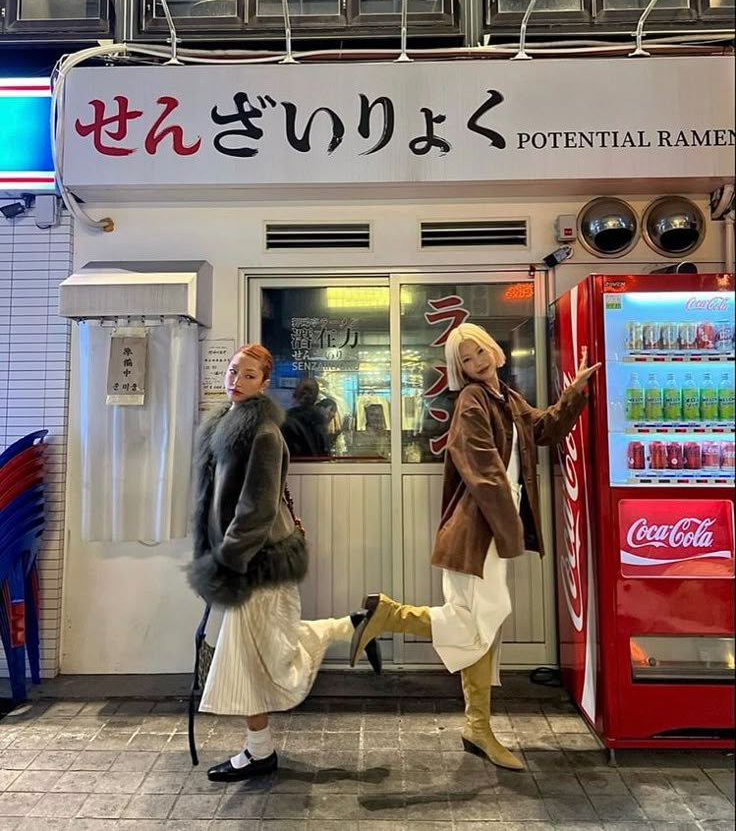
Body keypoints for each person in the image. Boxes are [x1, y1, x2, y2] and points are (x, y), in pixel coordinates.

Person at [349, 323, 600, 771]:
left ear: (493, 349)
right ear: (458, 368)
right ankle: (391, 617)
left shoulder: (502, 395)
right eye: (466, 358)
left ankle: (475, 723)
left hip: (488, 529)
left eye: (479, 351)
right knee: (480, 621)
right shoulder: (472, 400)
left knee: (478, 623)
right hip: (479, 530)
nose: (477, 361)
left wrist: (574, 394)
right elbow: (483, 471)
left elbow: (541, 430)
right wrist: (509, 533)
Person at [187, 344, 381, 783]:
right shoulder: (227, 423)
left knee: (251, 660)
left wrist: (227, 561)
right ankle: (355, 625)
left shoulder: (263, 433)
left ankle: (259, 752)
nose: (236, 380)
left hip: (255, 563)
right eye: (234, 371)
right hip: (243, 561)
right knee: (265, 651)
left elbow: (255, 510)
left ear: (265, 381)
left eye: (249, 375)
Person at [281, 376, 330, 459]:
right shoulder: (321, 419)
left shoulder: (287, 420)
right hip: (319, 468)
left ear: (295, 394)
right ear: (316, 396)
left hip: (296, 468)